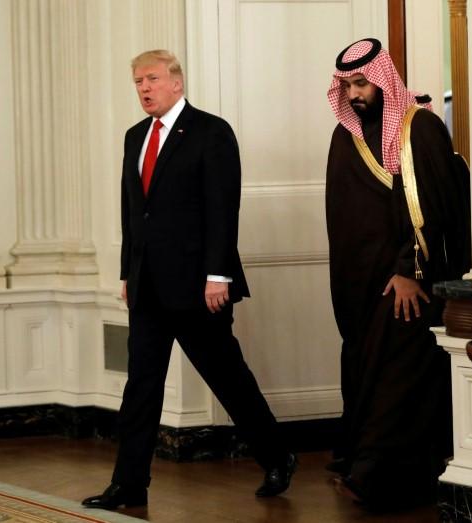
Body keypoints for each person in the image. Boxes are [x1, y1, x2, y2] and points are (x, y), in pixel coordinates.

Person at [82, 49, 296, 511]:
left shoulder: (211, 133)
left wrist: (217, 275)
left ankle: (278, 456)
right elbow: (133, 213)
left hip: (200, 287)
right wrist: (126, 273)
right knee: (140, 385)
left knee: (228, 378)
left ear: (177, 82)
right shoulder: (135, 136)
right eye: (138, 81)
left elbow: (223, 209)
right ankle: (129, 484)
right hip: (147, 287)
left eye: (152, 79)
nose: (144, 88)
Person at [324, 38, 471, 511]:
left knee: (398, 376)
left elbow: (428, 205)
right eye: (346, 85)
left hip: (409, 282)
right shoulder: (344, 136)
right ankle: (365, 464)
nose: (354, 94)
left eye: (362, 83)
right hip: (361, 285)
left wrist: (410, 270)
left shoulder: (420, 128)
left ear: (384, 79)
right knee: (367, 367)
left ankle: (374, 475)